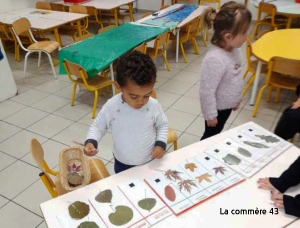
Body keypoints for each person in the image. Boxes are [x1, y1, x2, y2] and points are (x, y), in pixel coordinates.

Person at [83, 51, 168, 173]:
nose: (141, 102)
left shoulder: (153, 105)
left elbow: (162, 124)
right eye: (134, 97)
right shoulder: (112, 106)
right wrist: (91, 141)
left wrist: (160, 144)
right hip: (122, 163)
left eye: (147, 95)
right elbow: (98, 127)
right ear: (118, 87)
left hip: (149, 160)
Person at [199, 2, 252, 140]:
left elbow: (235, 77)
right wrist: (210, 115)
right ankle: (200, 156)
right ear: (228, 37)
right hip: (216, 109)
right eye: (244, 32)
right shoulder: (215, 59)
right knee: (210, 136)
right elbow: (206, 91)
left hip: (227, 106)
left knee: (217, 133)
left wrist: (236, 98)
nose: (247, 36)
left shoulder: (235, 50)